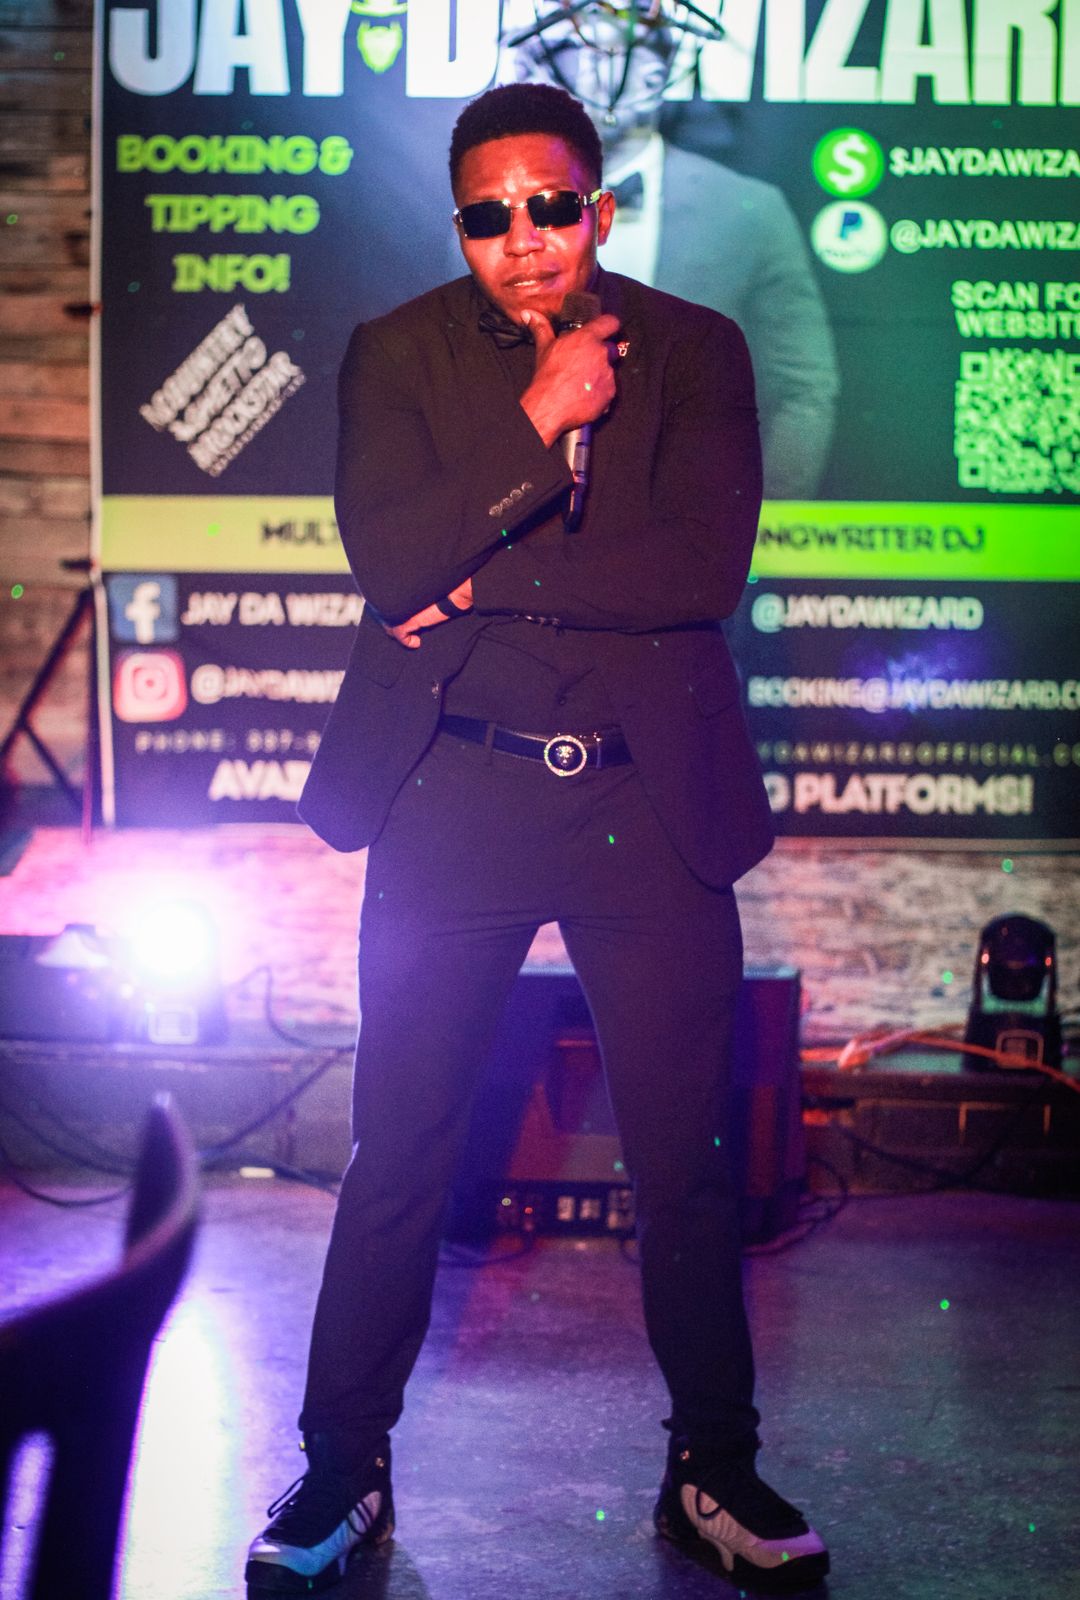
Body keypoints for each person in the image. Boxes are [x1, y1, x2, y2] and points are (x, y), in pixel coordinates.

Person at [245, 82, 829, 1595]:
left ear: (599, 209)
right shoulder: (397, 355)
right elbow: (387, 557)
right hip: (455, 794)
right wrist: (537, 421)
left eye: (551, 206)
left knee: (686, 1159)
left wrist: (468, 571)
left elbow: (699, 571)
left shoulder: (695, 350)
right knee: (399, 1151)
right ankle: (344, 1467)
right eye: (490, 215)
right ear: (462, 226)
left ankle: (712, 1466)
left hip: (644, 800)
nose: (523, 237)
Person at [499, 1, 840, 498]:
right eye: (584, 49)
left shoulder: (749, 211)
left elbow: (802, 390)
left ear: (664, 66)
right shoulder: (493, 216)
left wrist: (755, 521)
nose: (607, 71)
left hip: (697, 517)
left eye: (633, 50)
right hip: (530, 516)